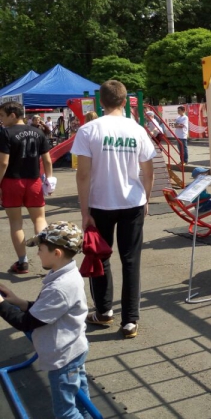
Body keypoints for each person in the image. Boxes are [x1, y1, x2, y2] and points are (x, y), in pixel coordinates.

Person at [72, 80, 156, 339]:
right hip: (132, 202)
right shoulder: (137, 129)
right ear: (123, 101)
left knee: (100, 257)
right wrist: (147, 199)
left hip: (100, 204)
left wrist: (85, 212)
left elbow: (83, 175)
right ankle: (130, 320)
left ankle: (105, 311)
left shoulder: (88, 130)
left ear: (101, 102)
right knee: (131, 261)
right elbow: (148, 170)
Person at [0, 221, 91, 419]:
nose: (38, 253)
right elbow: (45, 311)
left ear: (56, 253)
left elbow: (26, 323)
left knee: (66, 412)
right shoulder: (63, 273)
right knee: (80, 397)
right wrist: (18, 301)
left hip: (63, 359)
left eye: (40, 249)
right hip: (74, 348)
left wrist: (1, 304)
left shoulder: (60, 286)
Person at [0, 102, 54, 274]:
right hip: (34, 181)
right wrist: (50, 178)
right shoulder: (38, 132)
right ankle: (51, 258)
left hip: (12, 181)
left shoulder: (5, 133)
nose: (1, 119)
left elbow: (3, 163)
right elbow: (47, 160)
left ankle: (22, 262)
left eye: (2, 115)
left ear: (13, 115)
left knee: (16, 223)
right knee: (39, 219)